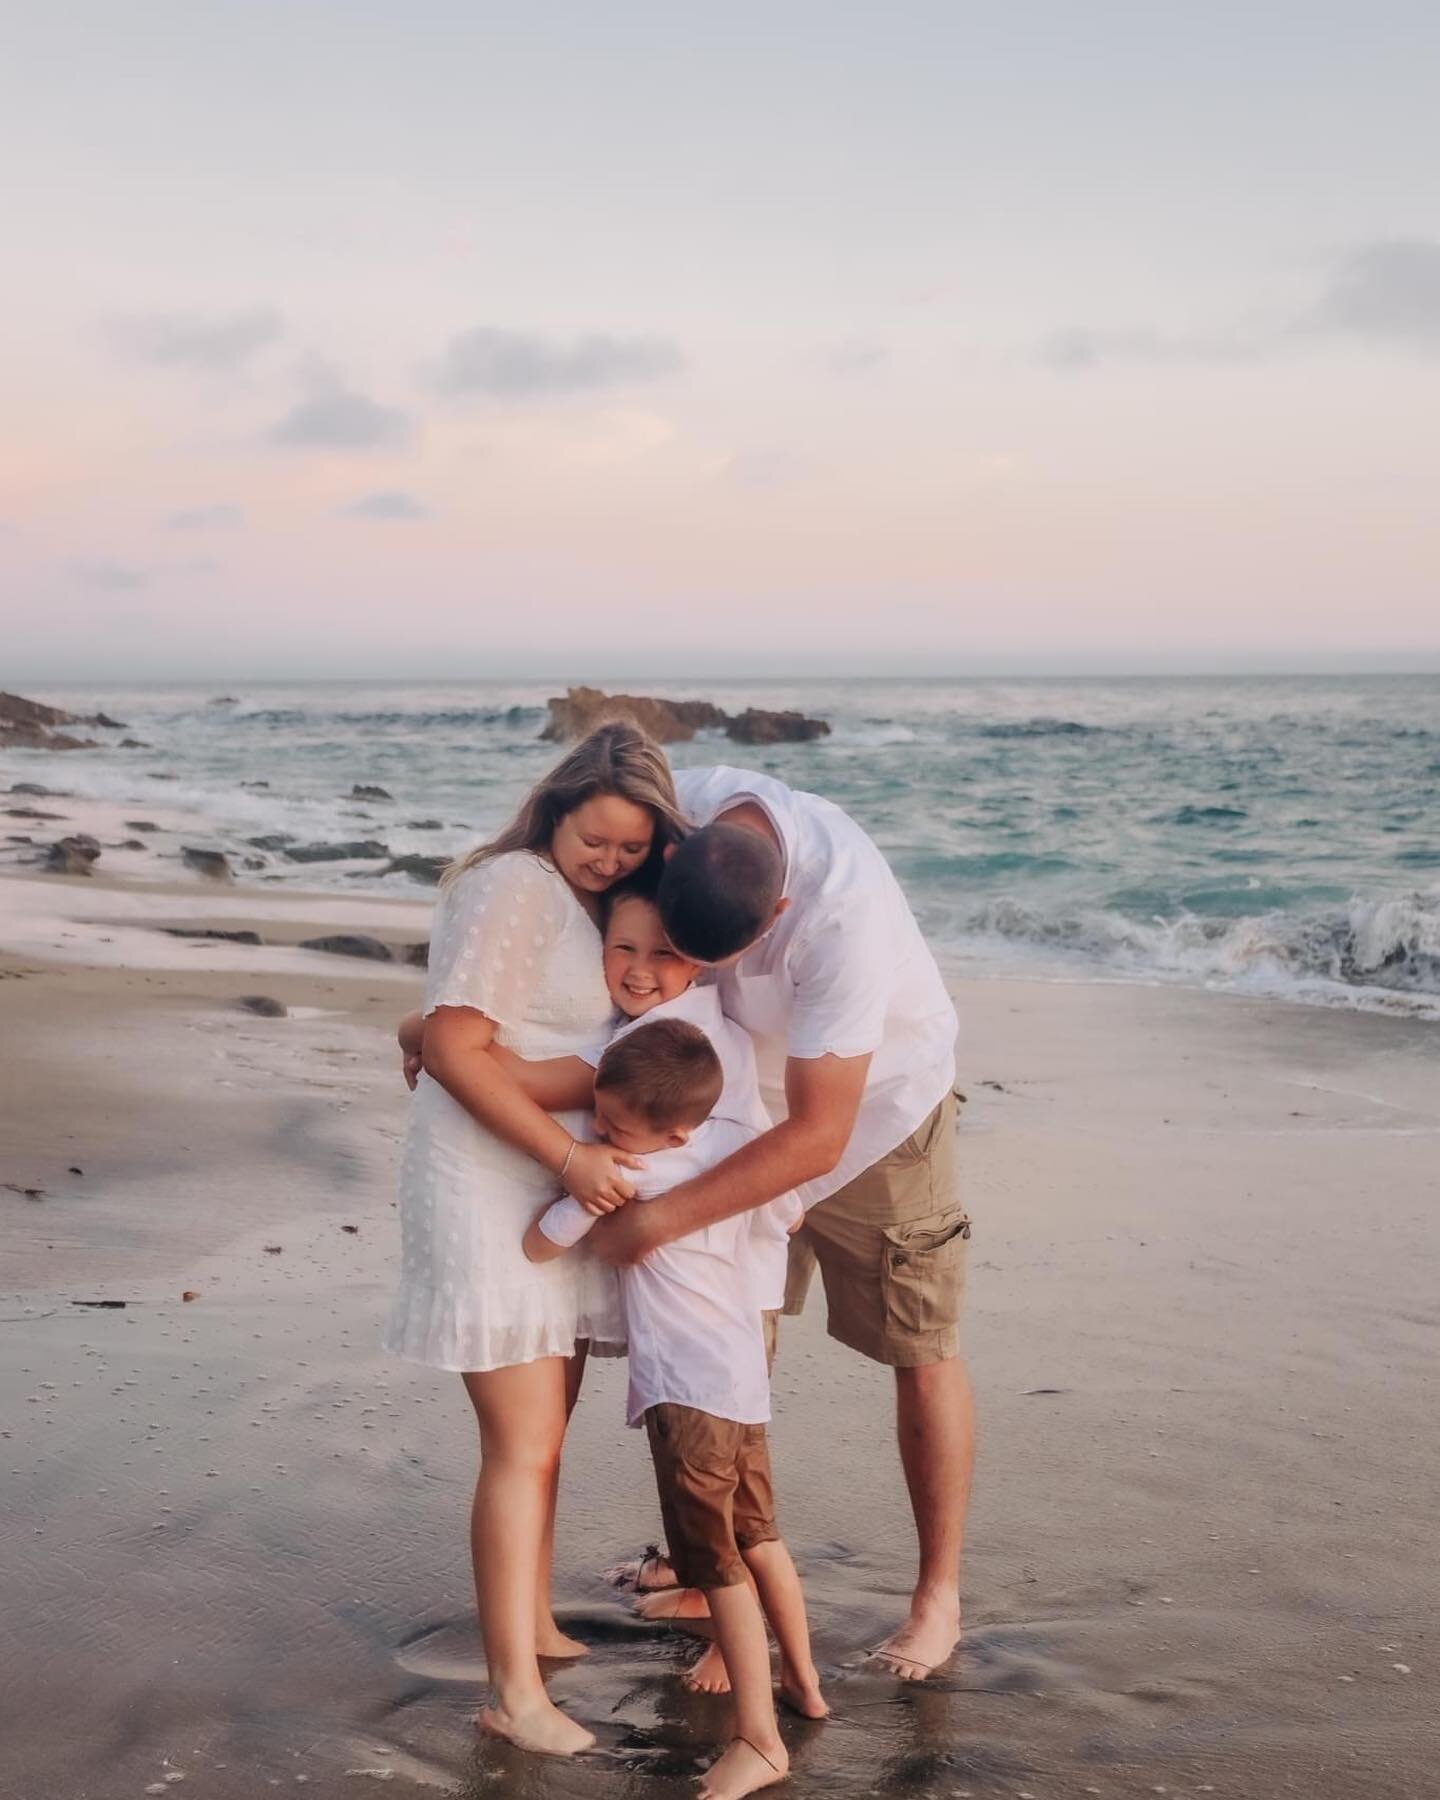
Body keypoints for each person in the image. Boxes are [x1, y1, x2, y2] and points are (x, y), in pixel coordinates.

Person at [591, 764, 973, 1681]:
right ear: (675, 847)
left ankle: (937, 1598)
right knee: (706, 1346)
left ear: (782, 909)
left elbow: (818, 1136)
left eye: (722, 957)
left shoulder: (842, 916)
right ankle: (709, 1573)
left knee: (920, 1346)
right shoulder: (680, 796)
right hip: (722, 1110)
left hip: (872, 1118)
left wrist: (659, 1220)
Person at [382, 721, 688, 1756]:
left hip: (551, 1182)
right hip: (489, 1182)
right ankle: (512, 1696)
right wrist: (568, 1162)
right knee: (523, 1444)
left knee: (546, 1435)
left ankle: (534, 1626)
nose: (607, 861)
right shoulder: (512, 884)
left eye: (629, 849)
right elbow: (463, 1049)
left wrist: (424, 1035)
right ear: (554, 812)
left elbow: (518, 1043)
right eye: (591, 838)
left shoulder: (595, 907)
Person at [524, 1018, 825, 1800]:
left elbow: (543, 1243)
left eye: (615, 1125)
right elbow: (787, 1213)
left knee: (715, 1559)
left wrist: (579, 1178)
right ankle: (804, 1681)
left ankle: (759, 1741)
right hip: (740, 1381)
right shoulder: (733, 1153)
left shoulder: (635, 1173)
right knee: (759, 1533)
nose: (599, 1131)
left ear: (675, 1128)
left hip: (686, 1391)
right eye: (598, 1114)